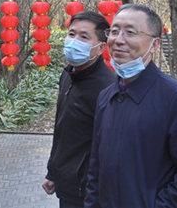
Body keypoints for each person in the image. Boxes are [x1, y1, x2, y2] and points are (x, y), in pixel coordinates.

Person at [84, 4, 177, 208]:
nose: (119, 40)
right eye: (115, 31)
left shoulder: (176, 99)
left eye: (130, 32)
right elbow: (96, 167)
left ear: (155, 45)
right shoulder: (106, 96)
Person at [43, 11, 115, 208]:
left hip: (89, 191)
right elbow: (61, 129)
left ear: (100, 48)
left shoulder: (108, 88)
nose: (74, 41)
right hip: (66, 183)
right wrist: (52, 171)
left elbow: (109, 147)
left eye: (84, 37)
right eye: (72, 34)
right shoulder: (68, 75)